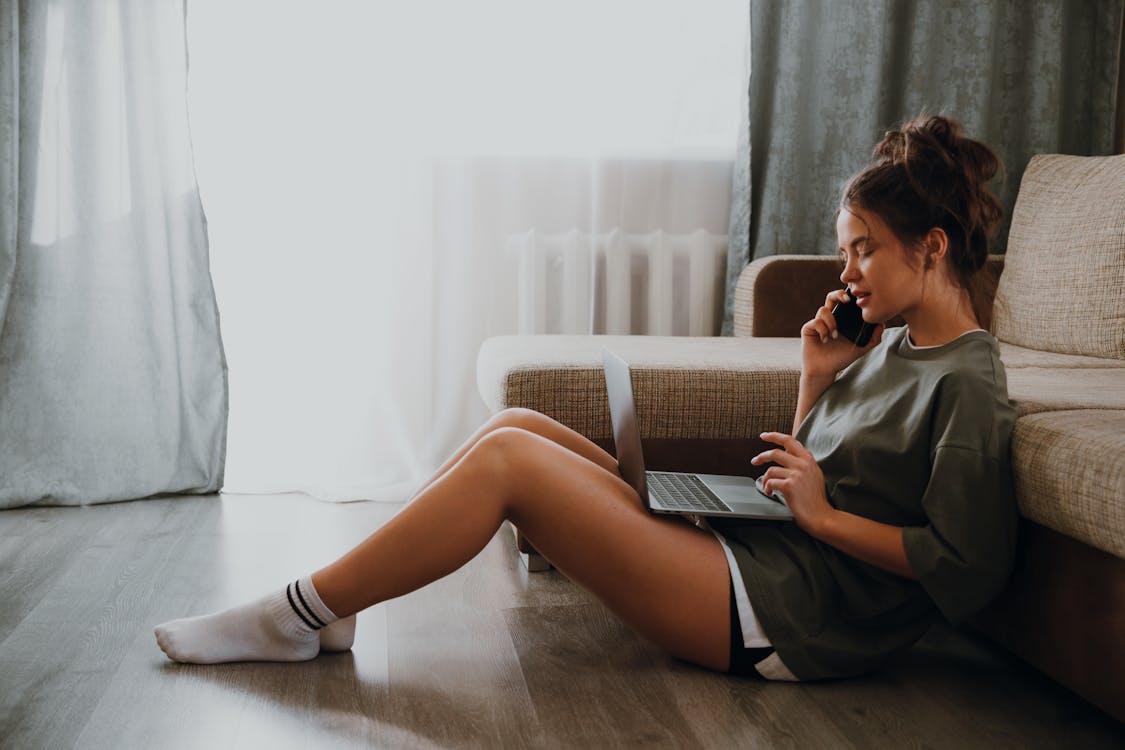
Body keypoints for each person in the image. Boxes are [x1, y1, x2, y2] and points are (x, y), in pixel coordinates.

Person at [155, 113, 1017, 682]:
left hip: (788, 617)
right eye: (847, 250)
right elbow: (805, 473)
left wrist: (824, 519)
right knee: (518, 423)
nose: (846, 272)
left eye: (863, 250)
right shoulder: (896, 348)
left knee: (506, 463)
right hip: (767, 561)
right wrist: (815, 382)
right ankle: (335, 609)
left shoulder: (968, 385)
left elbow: (966, 568)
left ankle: (298, 611)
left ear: (931, 247)